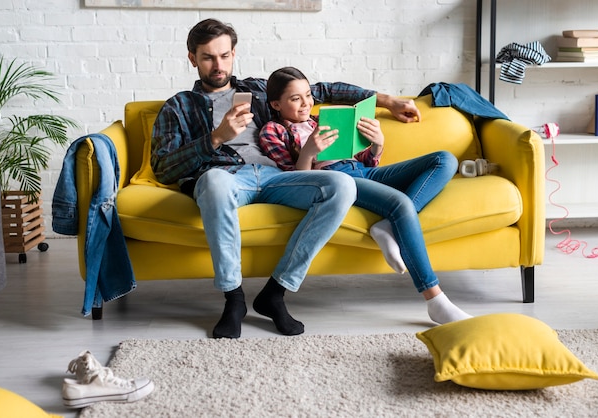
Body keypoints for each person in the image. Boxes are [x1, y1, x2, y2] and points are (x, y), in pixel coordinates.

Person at [150, 19, 425, 338]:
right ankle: (233, 299)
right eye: (208, 57)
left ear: (234, 53)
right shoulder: (178, 106)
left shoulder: (257, 90)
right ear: (192, 58)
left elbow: (324, 90)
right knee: (212, 182)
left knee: (341, 185)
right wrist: (215, 138)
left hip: (275, 176)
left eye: (224, 56)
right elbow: (163, 168)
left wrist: (389, 101)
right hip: (224, 178)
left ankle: (275, 292)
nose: (218, 65)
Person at [259, 66, 472, 324]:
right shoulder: (273, 131)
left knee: (444, 160)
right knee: (400, 205)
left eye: (307, 95)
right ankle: (435, 299)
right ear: (275, 104)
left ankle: (386, 226)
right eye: (295, 99)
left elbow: (365, 162)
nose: (306, 104)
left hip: (361, 172)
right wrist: (308, 153)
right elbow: (294, 182)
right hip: (338, 181)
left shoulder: (320, 120)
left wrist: (377, 145)